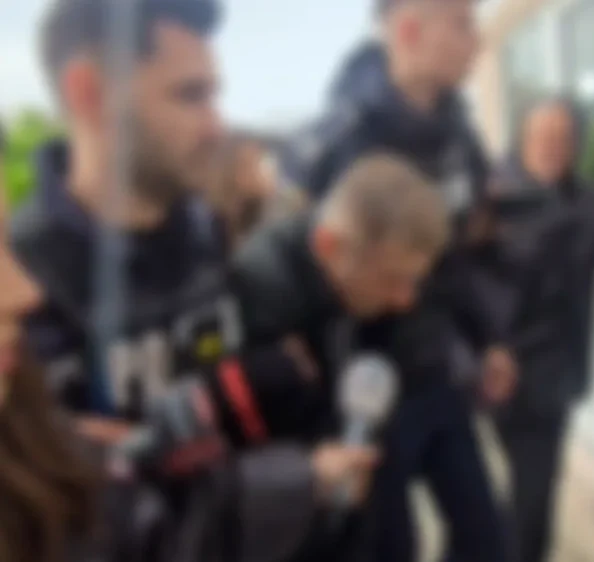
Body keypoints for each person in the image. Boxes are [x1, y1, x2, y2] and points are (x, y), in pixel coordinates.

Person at [8, 1, 379, 560]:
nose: (217, 124)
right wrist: (294, 484)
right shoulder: (23, 286)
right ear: (89, 93)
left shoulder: (207, 231)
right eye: (189, 95)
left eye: (215, 95)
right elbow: (85, 520)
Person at [279, 1, 512, 559]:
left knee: (487, 538)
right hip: (365, 389)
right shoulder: (338, 139)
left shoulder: (461, 137)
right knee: (388, 547)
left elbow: (464, 254)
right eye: (461, 24)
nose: (477, 40)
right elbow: (290, 258)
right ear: (409, 29)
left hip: (438, 371)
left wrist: (490, 338)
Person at [233, 152, 506, 562]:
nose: (405, 299)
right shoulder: (263, 297)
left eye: (414, 281)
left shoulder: (350, 283)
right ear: (329, 246)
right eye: (393, 280)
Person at [488, 98, 594, 562]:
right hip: (499, 368)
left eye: (563, 138)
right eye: (541, 137)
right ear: (522, 140)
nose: (551, 148)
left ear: (577, 144)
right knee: (523, 495)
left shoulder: (593, 204)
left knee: (533, 494)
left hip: (554, 372)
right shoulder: (493, 200)